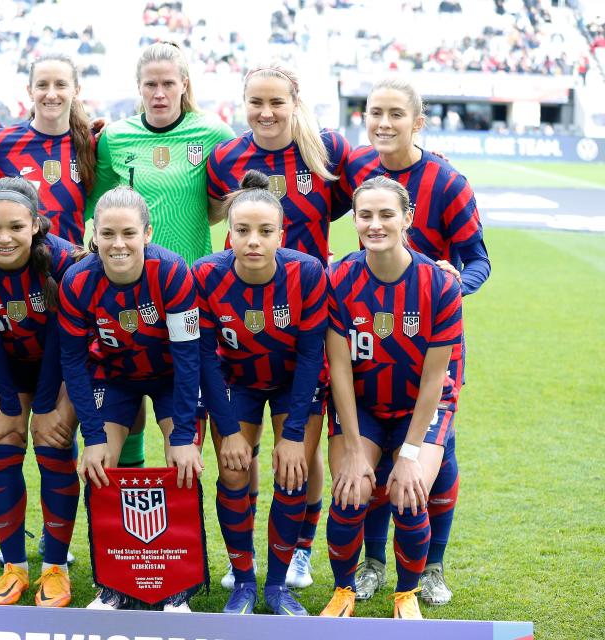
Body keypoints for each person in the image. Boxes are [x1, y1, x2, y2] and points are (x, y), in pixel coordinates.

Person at [340, 77, 490, 605]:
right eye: (374, 112)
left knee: (434, 449)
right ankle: (374, 562)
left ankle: (433, 567)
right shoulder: (359, 168)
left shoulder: (448, 181)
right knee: (377, 453)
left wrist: (454, 280)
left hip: (432, 338)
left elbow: (479, 260)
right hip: (370, 331)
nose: (383, 123)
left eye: (395, 114)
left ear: (417, 121)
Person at [206, 64, 351, 591]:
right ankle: (241, 561)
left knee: (303, 456)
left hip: (307, 314)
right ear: (242, 103)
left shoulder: (326, 148)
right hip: (241, 322)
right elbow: (210, 214)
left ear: (295, 101)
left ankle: (300, 553)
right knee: (238, 458)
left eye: (277, 102)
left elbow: (377, 199)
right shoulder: (225, 157)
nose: (266, 113)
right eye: (255, 102)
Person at [85, 40, 234, 474]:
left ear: (184, 84)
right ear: (139, 86)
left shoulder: (213, 132)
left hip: (190, 292)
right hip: (127, 294)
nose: (160, 93)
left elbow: (241, 190)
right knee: (126, 398)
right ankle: (130, 508)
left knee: (186, 398)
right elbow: (95, 203)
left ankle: (181, 523)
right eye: (151, 84)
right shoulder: (114, 137)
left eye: (169, 83)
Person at [320, 176, 463, 620]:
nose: (375, 224)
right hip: (361, 406)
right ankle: (343, 589)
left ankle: (406, 594)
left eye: (386, 215)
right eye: (365, 215)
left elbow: (435, 380)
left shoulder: (439, 284)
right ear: (355, 220)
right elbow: (339, 370)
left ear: (408, 218)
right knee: (351, 489)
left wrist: (410, 452)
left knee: (409, 488)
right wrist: (353, 448)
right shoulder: (339, 278)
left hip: (421, 405)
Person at [59, 187, 203, 613]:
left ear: (147, 233)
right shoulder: (78, 281)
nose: (118, 244)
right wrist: (92, 435)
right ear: (94, 235)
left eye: (128, 233)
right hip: (114, 376)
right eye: (107, 234)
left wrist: (184, 435)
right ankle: (114, 583)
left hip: (170, 376)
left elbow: (188, 355)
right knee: (100, 467)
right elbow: (73, 361)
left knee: (184, 462)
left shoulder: (173, 272)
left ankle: (178, 584)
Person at [194, 171, 327, 616]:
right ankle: (244, 583)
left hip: (293, 383)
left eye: (265, 231)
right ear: (227, 232)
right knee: (233, 473)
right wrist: (229, 431)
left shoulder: (307, 272)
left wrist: (292, 435)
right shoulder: (206, 275)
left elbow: (311, 358)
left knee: (293, 472)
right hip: (236, 382)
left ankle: (277, 586)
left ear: (281, 234)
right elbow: (206, 361)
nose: (254, 240)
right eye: (243, 230)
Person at [0, 177, 78, 607]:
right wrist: (8, 402)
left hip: (59, 367)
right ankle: (14, 567)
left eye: (16, 227)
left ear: (37, 224)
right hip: (5, 367)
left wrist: (45, 406)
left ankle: (55, 569)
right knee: (3, 440)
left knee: (53, 443)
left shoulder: (63, 261)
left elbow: (65, 343)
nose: (3, 238)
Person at [0, 53, 95, 245]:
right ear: (30, 90)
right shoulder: (0, 143)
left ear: (76, 90)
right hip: (15, 268)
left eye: (60, 84)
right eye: (42, 85)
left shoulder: (91, 144)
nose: (51, 94)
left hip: (69, 268)